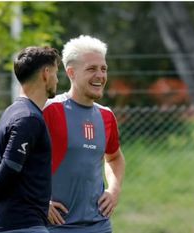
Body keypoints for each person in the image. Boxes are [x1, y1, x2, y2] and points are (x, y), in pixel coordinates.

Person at [43, 35, 125, 233]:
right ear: (71, 72)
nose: (100, 75)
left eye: (103, 69)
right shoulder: (49, 111)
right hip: (54, 226)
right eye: (91, 69)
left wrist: (113, 189)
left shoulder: (106, 115)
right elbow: (17, 164)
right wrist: (39, 202)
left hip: (99, 225)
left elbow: (114, 158)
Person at [0, 46, 61, 232]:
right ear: (46, 74)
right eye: (56, 73)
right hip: (23, 225)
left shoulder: (12, 112)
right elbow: (8, 169)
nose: (57, 79)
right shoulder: (28, 118)